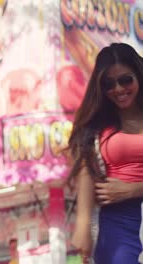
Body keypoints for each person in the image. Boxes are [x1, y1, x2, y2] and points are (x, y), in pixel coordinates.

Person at [68, 43, 143, 264]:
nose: (118, 89)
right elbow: (86, 169)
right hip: (116, 222)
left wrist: (134, 189)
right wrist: (82, 224)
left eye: (126, 80)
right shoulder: (99, 125)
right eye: (109, 84)